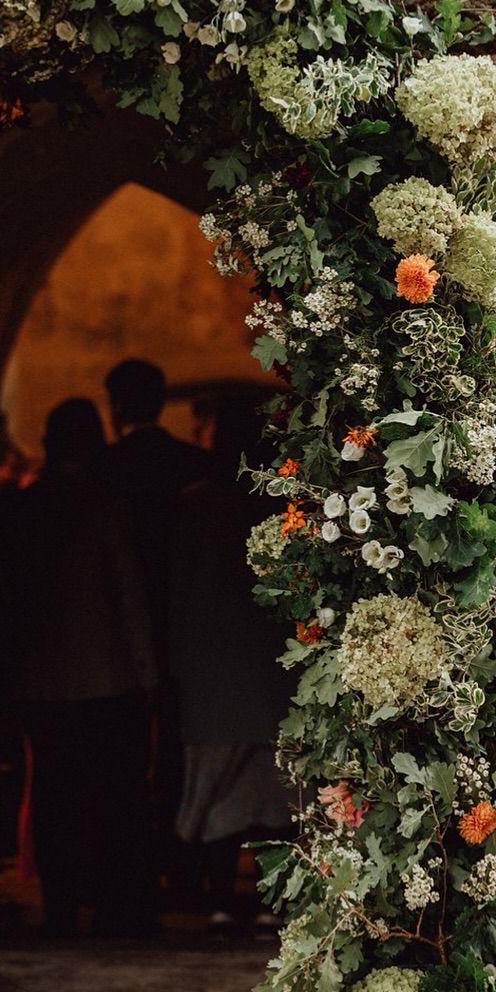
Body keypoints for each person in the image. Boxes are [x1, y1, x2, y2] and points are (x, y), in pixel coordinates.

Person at [0, 398, 158, 937]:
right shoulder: (108, 507)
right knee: (114, 797)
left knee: (54, 796)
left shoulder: (24, 507)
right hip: (106, 679)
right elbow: (130, 598)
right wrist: (148, 674)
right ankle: (114, 907)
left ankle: (60, 904)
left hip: (42, 681)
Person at [169, 396, 295, 929]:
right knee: (273, 790)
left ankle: (219, 898)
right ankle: (271, 901)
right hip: (270, 665)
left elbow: (175, 593)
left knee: (215, 787)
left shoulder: (192, 508)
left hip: (209, 668)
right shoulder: (282, 508)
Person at [97, 359, 209, 900]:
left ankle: (132, 872)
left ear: (116, 406)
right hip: (189, 616)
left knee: (122, 757)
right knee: (184, 748)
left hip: (115, 629)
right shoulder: (194, 464)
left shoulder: (103, 469)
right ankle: (184, 864)